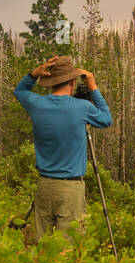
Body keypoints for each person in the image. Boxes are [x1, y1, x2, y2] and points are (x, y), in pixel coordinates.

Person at [13, 55, 112, 238]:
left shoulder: (36, 104)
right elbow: (106, 119)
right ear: (72, 82)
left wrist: (34, 74)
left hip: (44, 186)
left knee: (43, 247)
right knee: (68, 248)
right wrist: (93, 87)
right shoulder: (82, 107)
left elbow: (19, 90)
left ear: (50, 82)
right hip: (70, 189)